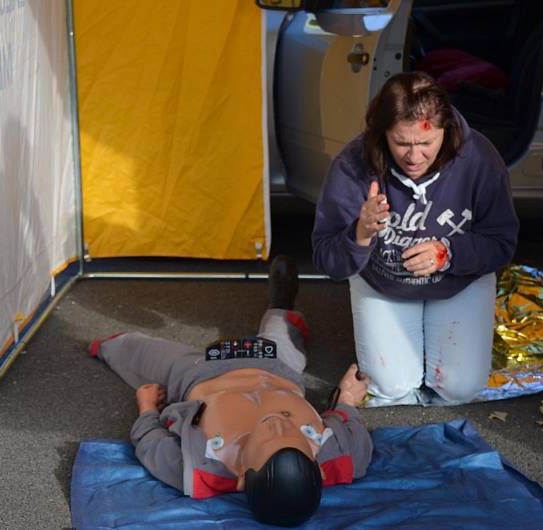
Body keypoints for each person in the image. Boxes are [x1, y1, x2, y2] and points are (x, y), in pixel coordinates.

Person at [89, 256, 373, 527]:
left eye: (268, 440)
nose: (278, 424)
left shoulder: (198, 470)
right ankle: (281, 301)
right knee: (282, 329)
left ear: (241, 478)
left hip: (198, 373)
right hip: (276, 367)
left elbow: (150, 444)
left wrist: (148, 408)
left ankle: (106, 343)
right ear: (318, 469)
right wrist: (348, 399)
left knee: (125, 348)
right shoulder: (342, 458)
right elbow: (355, 434)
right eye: (292, 436)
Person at [312, 71, 519, 406]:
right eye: (401, 143)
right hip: (384, 283)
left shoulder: (479, 157)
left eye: (425, 143)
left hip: (458, 281)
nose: (414, 156)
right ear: (382, 136)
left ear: (446, 132)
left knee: (460, 389)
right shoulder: (353, 163)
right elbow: (326, 258)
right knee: (391, 387)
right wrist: (360, 232)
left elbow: (502, 243)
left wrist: (449, 252)